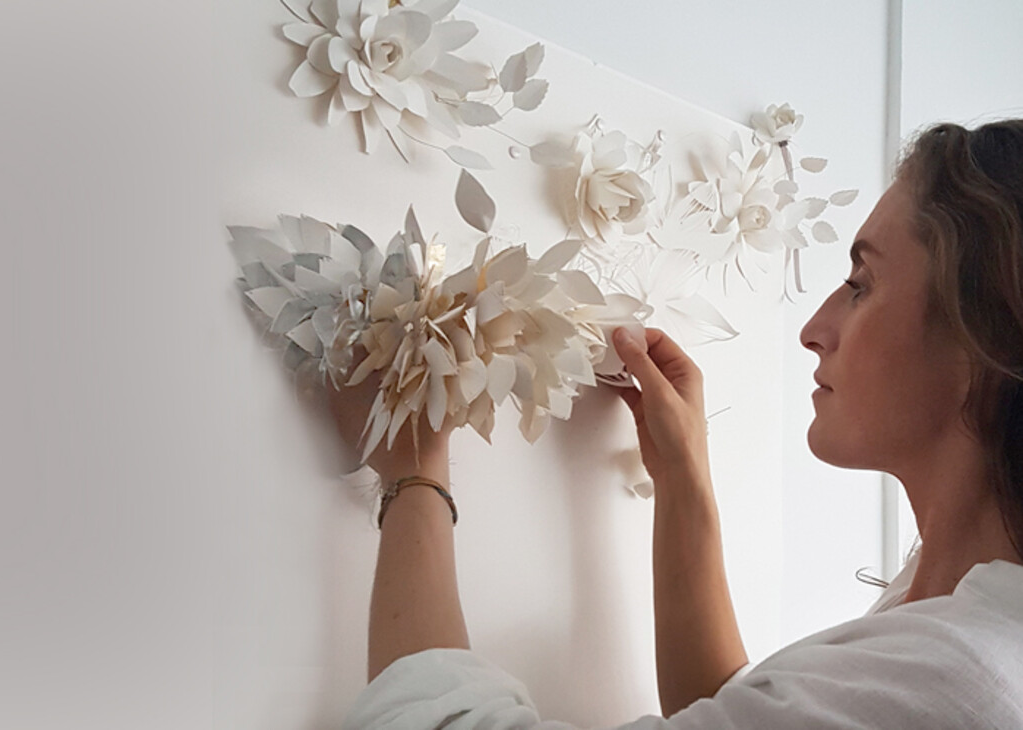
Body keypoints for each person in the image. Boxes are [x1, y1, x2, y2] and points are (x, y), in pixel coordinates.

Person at [330, 119, 1023, 729]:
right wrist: (683, 476)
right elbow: (737, 711)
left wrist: (414, 474)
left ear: (984, 339)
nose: (814, 329)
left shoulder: (958, 677)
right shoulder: (951, 611)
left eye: (861, 285)